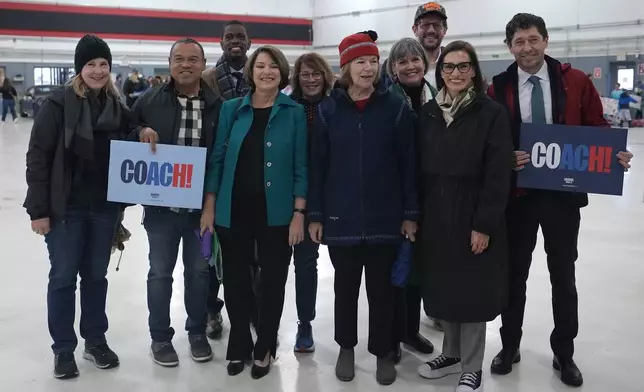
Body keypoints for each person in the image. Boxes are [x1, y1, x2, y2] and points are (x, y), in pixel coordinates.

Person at [487, 13, 633, 387]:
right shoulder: (499, 86)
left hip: (562, 196)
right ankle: (510, 344)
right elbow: (491, 139)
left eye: (533, 39)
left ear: (546, 41)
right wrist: (505, 158)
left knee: (563, 277)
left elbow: (596, 125)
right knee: (512, 275)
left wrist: (614, 154)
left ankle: (564, 353)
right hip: (517, 197)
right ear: (510, 47)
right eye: (519, 42)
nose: (527, 48)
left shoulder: (574, 81)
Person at [308, 30, 418, 386]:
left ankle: (384, 351)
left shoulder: (395, 108)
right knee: (345, 289)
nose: (368, 68)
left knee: (383, 292)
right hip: (341, 219)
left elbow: (409, 165)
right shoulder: (328, 110)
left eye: (373, 61)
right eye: (360, 62)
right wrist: (316, 214)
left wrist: (410, 214)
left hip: (386, 217)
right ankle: (346, 347)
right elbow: (317, 168)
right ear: (345, 67)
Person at [24, 34, 132, 379]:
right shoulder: (57, 105)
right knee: (63, 277)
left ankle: (95, 340)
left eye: (103, 64)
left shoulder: (117, 108)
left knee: (96, 277)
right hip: (65, 208)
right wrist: (38, 210)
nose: (98, 70)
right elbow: (38, 158)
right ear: (79, 68)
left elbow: (134, 137)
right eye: (91, 64)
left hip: (103, 207)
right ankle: (63, 348)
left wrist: (143, 131)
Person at [201, 45, 308, 379]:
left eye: (273, 66)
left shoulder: (294, 112)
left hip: (276, 214)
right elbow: (217, 160)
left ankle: (264, 346)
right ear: (251, 71)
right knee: (235, 282)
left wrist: (298, 212)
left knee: (273, 282)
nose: (266, 72)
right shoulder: (232, 109)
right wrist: (209, 207)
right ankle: (238, 344)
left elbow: (301, 166)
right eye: (260, 65)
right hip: (234, 211)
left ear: (282, 72)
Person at [415, 40, 513, 392]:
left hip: (473, 214)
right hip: (437, 215)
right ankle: (451, 354)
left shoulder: (491, 113)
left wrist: (484, 224)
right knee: (445, 285)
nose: (455, 73)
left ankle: (472, 365)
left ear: (474, 71)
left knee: (472, 290)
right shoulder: (428, 113)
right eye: (448, 67)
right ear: (440, 72)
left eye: (463, 66)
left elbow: (498, 173)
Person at [131, 37, 221, 367]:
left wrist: (211, 203)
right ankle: (159, 337)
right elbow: (127, 132)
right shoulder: (150, 100)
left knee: (199, 271)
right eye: (178, 59)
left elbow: (218, 158)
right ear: (169, 63)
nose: (186, 64)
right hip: (161, 210)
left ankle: (197, 331)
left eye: (193, 59)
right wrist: (141, 131)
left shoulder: (216, 105)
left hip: (201, 210)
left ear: (202, 63)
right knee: (160, 273)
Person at [201, 19, 254, 340]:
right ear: (221, 43)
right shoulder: (207, 80)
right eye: (229, 37)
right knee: (211, 256)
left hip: (253, 178)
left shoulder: (260, 74)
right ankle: (211, 311)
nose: (235, 41)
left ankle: (250, 313)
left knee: (252, 257)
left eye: (240, 37)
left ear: (249, 42)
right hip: (215, 178)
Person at [385, 37, 435, 358]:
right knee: (395, 268)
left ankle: (410, 331)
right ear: (392, 68)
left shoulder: (440, 98)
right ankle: (392, 334)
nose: (410, 66)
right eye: (401, 61)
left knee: (417, 268)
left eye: (414, 59)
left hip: (431, 196)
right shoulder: (387, 100)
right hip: (395, 197)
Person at [288, 52, 334, 353]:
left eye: (316, 73)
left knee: (307, 262)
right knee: (277, 264)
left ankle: (306, 322)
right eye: (305, 74)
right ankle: (263, 320)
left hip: (328, 194)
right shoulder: (288, 107)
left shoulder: (335, 106)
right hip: (289, 194)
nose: (311, 79)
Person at [380, 1, 447, 97]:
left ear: (445, 30)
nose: (431, 30)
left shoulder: (453, 64)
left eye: (437, 25)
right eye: (425, 24)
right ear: (415, 29)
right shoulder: (390, 65)